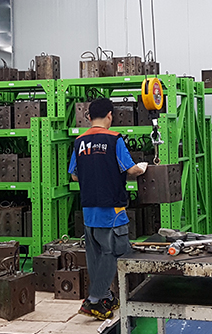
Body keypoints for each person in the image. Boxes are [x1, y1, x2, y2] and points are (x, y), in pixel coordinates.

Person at [68, 98, 147, 320]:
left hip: (89, 211)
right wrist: (142, 168)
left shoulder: (79, 141)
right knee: (115, 255)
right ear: (110, 115)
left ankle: (104, 297)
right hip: (112, 210)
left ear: (89, 117)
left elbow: (74, 175)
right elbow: (130, 169)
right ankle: (93, 300)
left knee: (96, 258)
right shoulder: (114, 139)